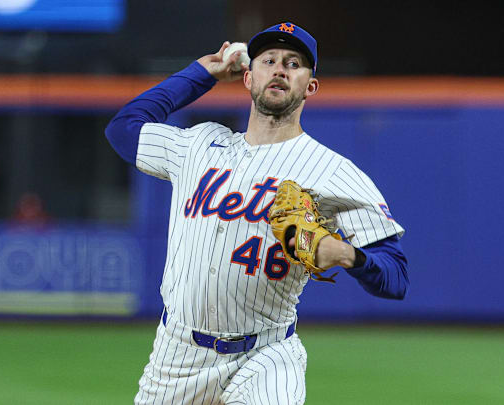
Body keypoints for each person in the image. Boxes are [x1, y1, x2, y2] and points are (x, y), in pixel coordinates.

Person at [106, 22, 409, 405]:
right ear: (248, 78)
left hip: (265, 355)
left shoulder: (334, 172)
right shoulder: (198, 145)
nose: (280, 69)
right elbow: (123, 128)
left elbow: (396, 276)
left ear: (309, 86)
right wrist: (201, 74)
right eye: (269, 60)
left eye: (294, 63)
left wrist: (348, 255)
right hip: (176, 354)